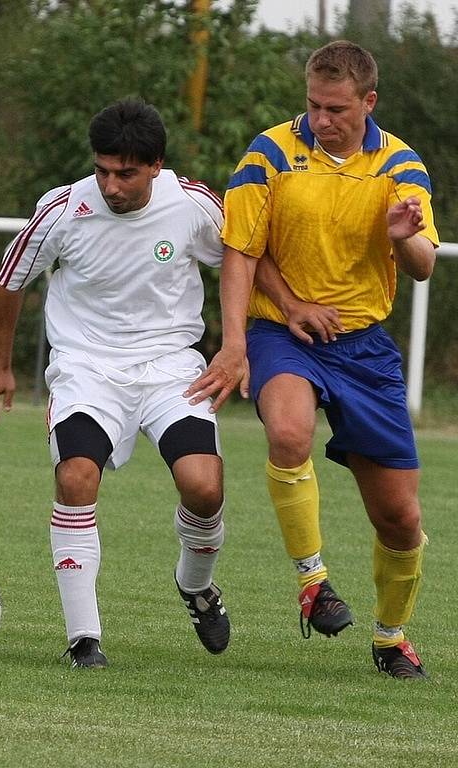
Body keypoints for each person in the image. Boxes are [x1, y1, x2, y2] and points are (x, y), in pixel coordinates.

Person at [186, 40, 438, 679]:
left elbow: (424, 265)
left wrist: (402, 241)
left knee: (401, 521)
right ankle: (313, 581)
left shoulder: (400, 165)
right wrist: (238, 341)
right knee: (289, 432)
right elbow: (243, 249)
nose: (322, 119)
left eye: (336, 108)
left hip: (364, 347)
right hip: (283, 335)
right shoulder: (269, 152)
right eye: (313, 106)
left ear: (368, 102)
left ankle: (390, 636)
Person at [0, 98, 230, 668]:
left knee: (204, 487)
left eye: (126, 173)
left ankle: (195, 586)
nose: (111, 185)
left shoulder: (194, 206)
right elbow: (10, 280)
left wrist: (238, 347)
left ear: (156, 166)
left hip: (170, 367)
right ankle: (83, 639)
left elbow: (242, 258)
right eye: (102, 170)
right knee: (76, 476)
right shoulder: (63, 210)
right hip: (86, 369)